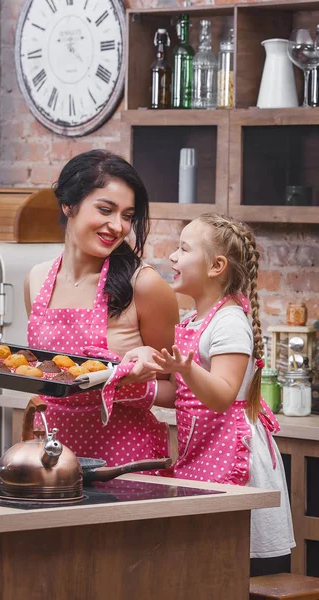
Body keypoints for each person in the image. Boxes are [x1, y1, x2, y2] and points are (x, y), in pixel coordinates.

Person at [124, 213, 295, 575]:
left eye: (183, 249)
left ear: (216, 266)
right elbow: (184, 395)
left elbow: (220, 395)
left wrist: (185, 368)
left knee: (240, 566)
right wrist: (138, 387)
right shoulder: (193, 321)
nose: (172, 257)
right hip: (203, 454)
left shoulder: (230, 321)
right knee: (209, 565)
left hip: (236, 458)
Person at [24, 149, 179, 465]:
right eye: (106, 210)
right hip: (49, 458)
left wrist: (125, 386)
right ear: (69, 204)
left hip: (123, 463)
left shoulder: (144, 286)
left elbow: (181, 390)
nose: (117, 226)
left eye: (126, 215)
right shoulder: (37, 279)